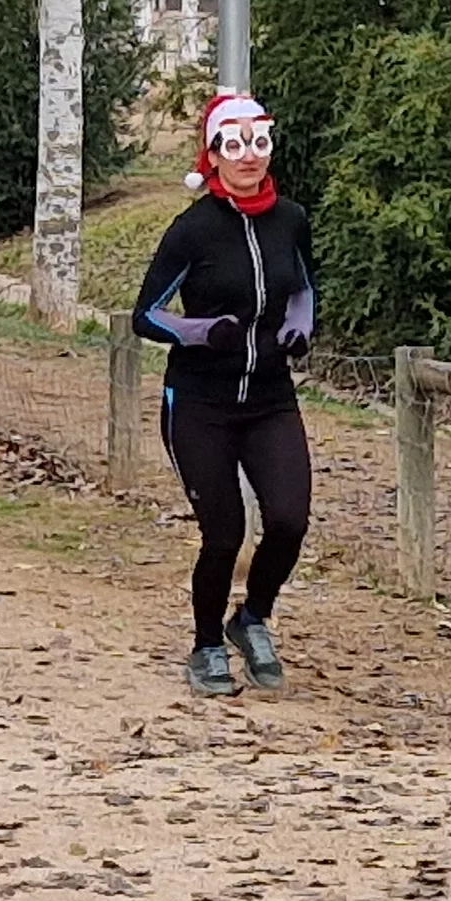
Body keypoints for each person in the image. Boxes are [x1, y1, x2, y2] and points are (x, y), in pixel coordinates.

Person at [131, 91, 317, 699]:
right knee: (224, 532)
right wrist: (201, 331)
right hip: (200, 404)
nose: (249, 158)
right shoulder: (192, 231)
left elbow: (303, 287)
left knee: (289, 519)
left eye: (258, 143)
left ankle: (252, 618)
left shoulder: (290, 218)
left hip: (270, 398)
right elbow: (146, 316)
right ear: (213, 154)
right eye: (234, 146)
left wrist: (300, 326)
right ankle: (207, 643)